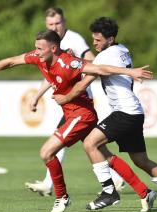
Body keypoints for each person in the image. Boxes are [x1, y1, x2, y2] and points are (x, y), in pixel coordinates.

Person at [0, 30, 153, 212]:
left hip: (82, 115)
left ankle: (63, 196)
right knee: (104, 155)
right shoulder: (38, 57)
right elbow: (10, 61)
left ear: (53, 48)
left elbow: (100, 68)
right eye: (35, 47)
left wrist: (130, 72)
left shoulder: (70, 63)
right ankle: (144, 192)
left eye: (40, 48)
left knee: (46, 152)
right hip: (71, 115)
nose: (36, 52)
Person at [53, 17, 157, 212]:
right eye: (93, 39)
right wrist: (74, 58)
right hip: (133, 113)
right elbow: (92, 64)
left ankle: (109, 191)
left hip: (124, 113)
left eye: (98, 40)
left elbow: (84, 81)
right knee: (141, 160)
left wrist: (66, 97)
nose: (94, 43)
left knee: (90, 143)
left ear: (110, 39)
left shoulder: (105, 56)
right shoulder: (122, 49)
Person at [24, 7, 125, 197]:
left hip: (80, 101)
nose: (55, 26)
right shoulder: (48, 44)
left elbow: (91, 61)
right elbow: (53, 74)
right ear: (47, 25)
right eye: (51, 24)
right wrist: (37, 95)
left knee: (61, 140)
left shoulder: (74, 39)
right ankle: (117, 175)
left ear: (64, 22)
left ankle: (50, 184)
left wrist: (77, 73)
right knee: (90, 143)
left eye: (58, 23)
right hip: (68, 103)